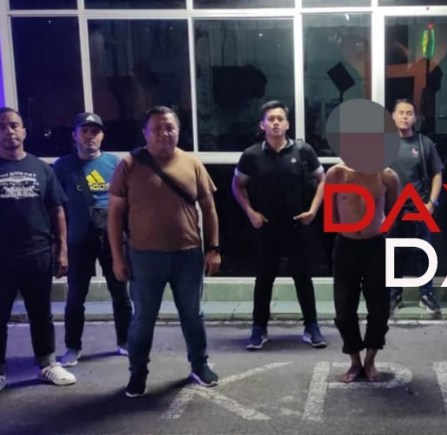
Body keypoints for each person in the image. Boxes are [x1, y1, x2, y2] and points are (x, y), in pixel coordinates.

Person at [108, 106, 221, 397]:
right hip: (144, 257)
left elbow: (209, 209)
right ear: (145, 132)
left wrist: (213, 249)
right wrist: (117, 258)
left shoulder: (192, 164)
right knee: (143, 319)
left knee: (193, 315)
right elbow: (114, 215)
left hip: (188, 255)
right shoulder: (129, 165)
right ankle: (137, 374)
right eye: (156, 128)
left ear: (178, 132)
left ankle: (199, 365)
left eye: (169, 127)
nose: (163, 133)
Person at [232, 100, 327, 351]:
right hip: (266, 227)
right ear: (262, 125)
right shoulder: (252, 155)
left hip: (297, 226)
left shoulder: (303, 151)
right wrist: (250, 212)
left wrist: (313, 210)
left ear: (287, 124)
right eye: (270, 119)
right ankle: (259, 328)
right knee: (264, 279)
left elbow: (323, 180)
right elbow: (237, 185)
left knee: (303, 278)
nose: (275, 123)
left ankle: (312, 327)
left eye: (280, 119)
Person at [0, 107, 76, 391]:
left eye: (13, 125)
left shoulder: (42, 169)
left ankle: (47, 364)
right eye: (2, 127)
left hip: (37, 254)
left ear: (23, 131)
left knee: (41, 312)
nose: (8, 131)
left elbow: (57, 211)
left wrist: (62, 249)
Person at [53, 112, 132, 367]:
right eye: (84, 131)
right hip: (79, 239)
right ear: (74, 135)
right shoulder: (62, 166)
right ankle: (72, 347)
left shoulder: (114, 163)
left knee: (120, 293)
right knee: (76, 296)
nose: (90, 136)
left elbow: (126, 202)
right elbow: (56, 207)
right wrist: (60, 245)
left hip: (111, 237)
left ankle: (125, 341)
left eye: (95, 131)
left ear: (102, 136)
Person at [326, 162, 400, 382]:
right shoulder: (336, 175)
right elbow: (332, 213)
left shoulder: (387, 176)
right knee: (344, 309)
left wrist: (376, 230)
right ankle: (355, 362)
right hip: (346, 247)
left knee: (379, 309)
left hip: (375, 247)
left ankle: (370, 361)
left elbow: (394, 212)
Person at [388, 98, 444, 316]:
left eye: (409, 113)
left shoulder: (424, 143)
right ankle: (394, 294)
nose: (405, 117)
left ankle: (426, 294)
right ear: (393, 116)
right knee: (393, 252)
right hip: (392, 209)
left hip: (419, 207)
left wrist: (432, 203)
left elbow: (437, 173)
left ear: (415, 118)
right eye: (401, 113)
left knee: (424, 251)